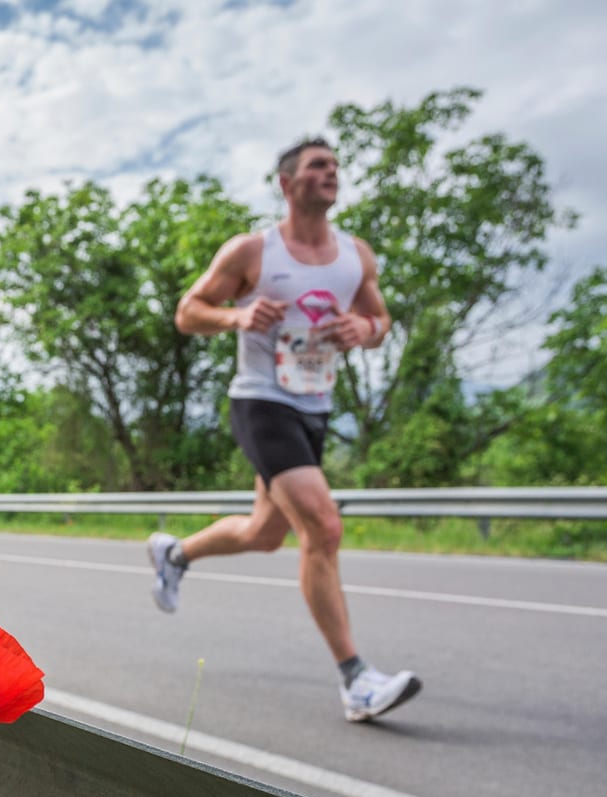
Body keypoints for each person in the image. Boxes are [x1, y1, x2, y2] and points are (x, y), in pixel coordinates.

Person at [148, 137, 421, 723]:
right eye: (318, 166)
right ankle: (356, 680)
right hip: (260, 402)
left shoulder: (356, 255)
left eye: (335, 167)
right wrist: (238, 314)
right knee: (322, 528)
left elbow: (380, 320)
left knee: (265, 533)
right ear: (287, 183)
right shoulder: (253, 252)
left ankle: (175, 553)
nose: (332, 174)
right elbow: (188, 312)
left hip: (314, 405)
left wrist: (362, 329)